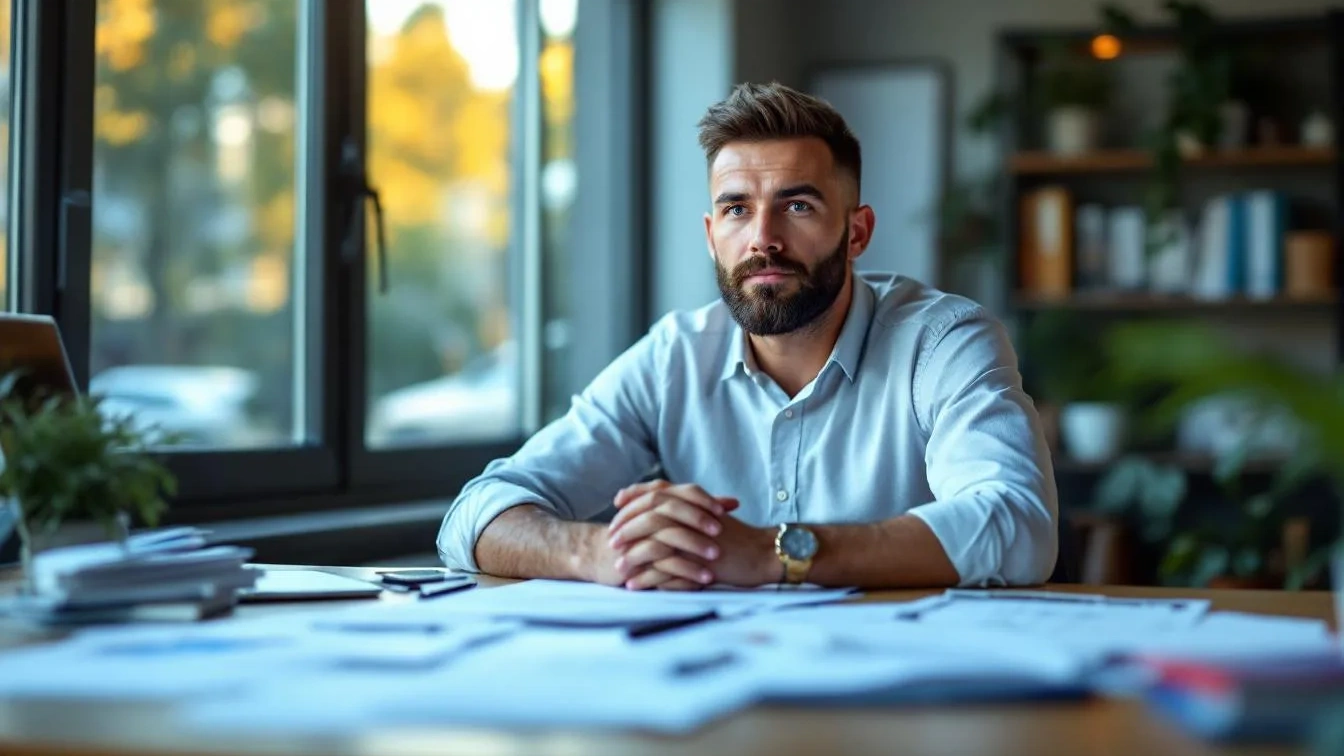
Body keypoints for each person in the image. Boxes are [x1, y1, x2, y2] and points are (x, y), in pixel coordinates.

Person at [437, 81, 1057, 590]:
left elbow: (1019, 527)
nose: (763, 238)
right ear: (712, 235)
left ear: (857, 233)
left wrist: (774, 552)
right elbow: (474, 516)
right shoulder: (673, 357)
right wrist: (603, 553)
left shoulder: (944, 341)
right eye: (736, 209)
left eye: (798, 205)